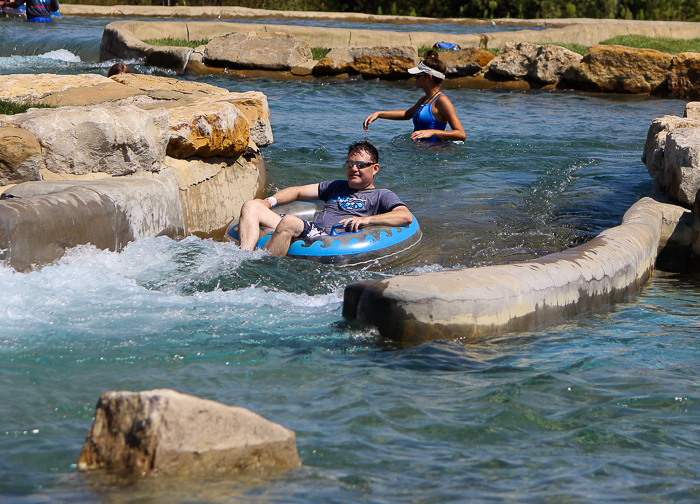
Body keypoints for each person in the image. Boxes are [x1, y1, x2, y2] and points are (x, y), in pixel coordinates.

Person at [238, 140, 413, 257]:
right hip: (313, 228)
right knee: (251, 205)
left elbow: (405, 216)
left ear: (375, 169)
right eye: (350, 164)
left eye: (360, 165)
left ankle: (261, 268)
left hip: (329, 236)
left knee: (290, 222)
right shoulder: (336, 186)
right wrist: (269, 201)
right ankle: (244, 257)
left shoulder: (381, 195)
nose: (353, 169)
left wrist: (368, 220)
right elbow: (298, 191)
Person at [363, 50, 466, 143]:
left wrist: (433, 132)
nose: (415, 78)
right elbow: (406, 114)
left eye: (418, 76)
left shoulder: (442, 101)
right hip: (420, 151)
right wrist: (379, 114)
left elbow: (461, 134)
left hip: (435, 155)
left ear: (428, 77)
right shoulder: (424, 99)